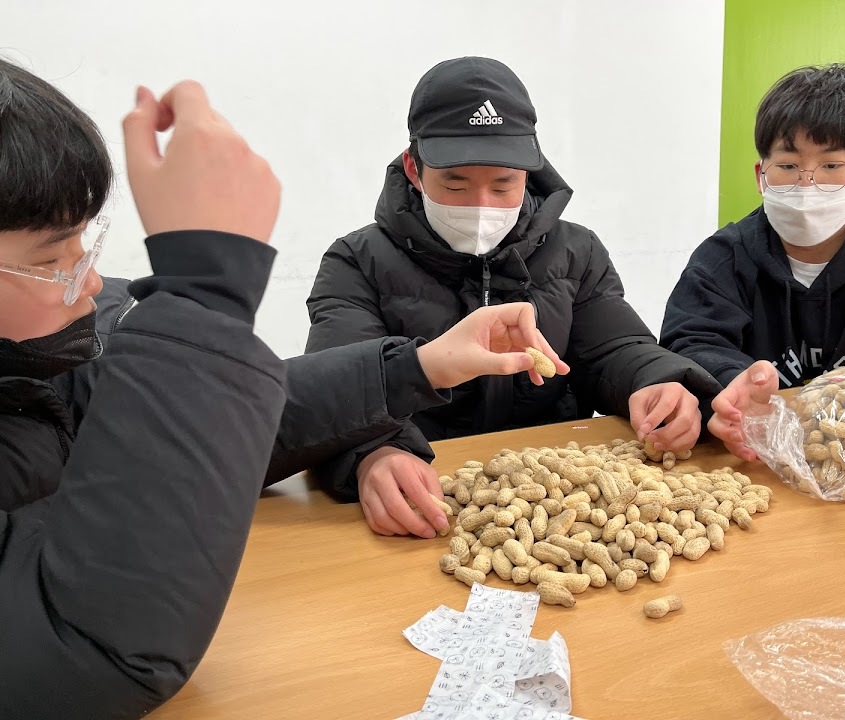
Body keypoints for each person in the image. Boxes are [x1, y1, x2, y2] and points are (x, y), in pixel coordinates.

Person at [0, 59, 563, 718]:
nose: (90, 280)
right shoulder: (357, 255)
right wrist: (205, 292)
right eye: (51, 260)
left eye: (84, 245)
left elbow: (194, 429)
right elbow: (89, 653)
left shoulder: (43, 363)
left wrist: (420, 367)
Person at [304, 56, 722, 537]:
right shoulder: (356, 261)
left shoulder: (576, 250)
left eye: (504, 185)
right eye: (455, 183)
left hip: (554, 500)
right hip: (429, 492)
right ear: (413, 169)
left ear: (530, 173)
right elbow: (338, 387)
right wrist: (373, 453)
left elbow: (613, 348)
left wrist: (656, 382)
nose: (481, 206)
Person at [659, 64, 845, 459]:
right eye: (787, 166)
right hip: (759, 463)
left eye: (832, 166)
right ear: (761, 175)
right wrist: (730, 384)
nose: (807, 183)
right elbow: (690, 345)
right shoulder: (723, 259)